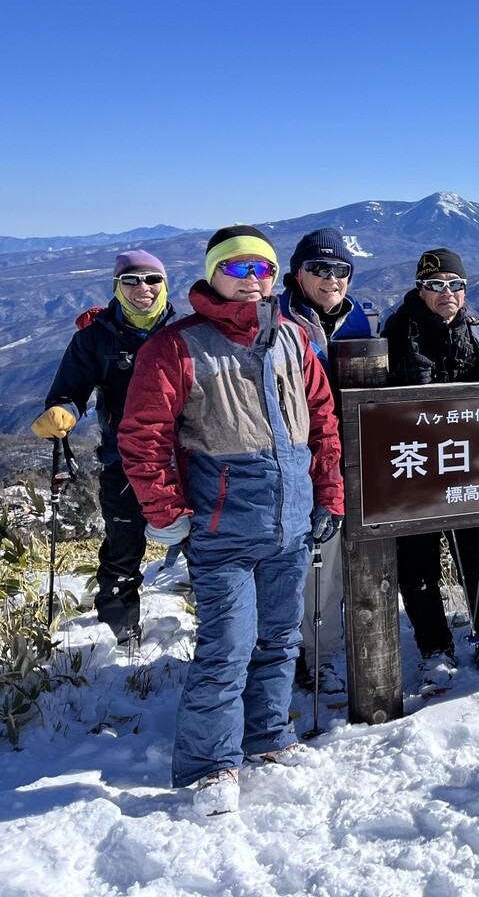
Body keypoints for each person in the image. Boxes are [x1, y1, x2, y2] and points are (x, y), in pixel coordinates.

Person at [119, 225, 343, 817]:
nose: (251, 280)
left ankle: (266, 734)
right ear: (212, 274)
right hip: (223, 527)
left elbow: (322, 423)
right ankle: (208, 765)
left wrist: (329, 496)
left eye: (262, 269)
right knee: (228, 646)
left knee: (280, 637)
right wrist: (166, 513)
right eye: (237, 268)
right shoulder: (176, 346)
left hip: (291, 522)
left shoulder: (293, 337)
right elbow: (142, 437)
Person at [381, 248, 479, 687]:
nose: (447, 292)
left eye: (455, 284)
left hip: (470, 468)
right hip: (414, 474)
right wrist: (397, 378)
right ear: (420, 289)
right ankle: (435, 649)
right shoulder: (396, 333)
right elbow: (366, 406)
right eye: (436, 285)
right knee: (418, 565)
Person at [31, 250, 176, 645]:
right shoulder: (94, 338)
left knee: (207, 548)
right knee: (123, 548)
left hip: (187, 459)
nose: (143, 287)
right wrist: (62, 411)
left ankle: (216, 633)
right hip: (123, 459)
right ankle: (121, 637)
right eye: (131, 280)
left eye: (152, 279)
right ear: (116, 287)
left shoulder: (184, 331)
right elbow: (69, 390)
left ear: (165, 285)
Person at [279, 228, 374, 700]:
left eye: (341, 270)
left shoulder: (359, 319)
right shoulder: (277, 320)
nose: (331, 278)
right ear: (298, 273)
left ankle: (322, 655)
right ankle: (302, 657)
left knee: (331, 566)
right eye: (319, 268)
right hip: (296, 459)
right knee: (306, 567)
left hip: (349, 458)